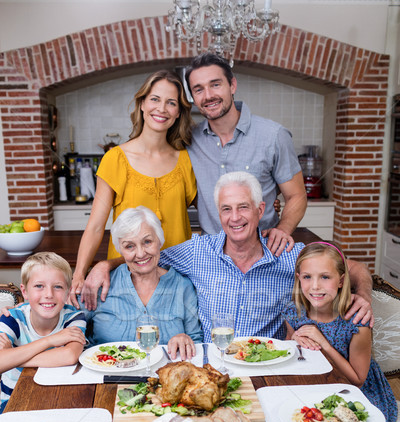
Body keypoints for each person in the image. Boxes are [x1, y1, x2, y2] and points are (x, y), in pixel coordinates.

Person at [75, 172, 373, 341]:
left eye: (243, 207)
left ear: (260, 210)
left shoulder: (287, 255)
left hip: (264, 363)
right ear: (218, 215)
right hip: (213, 364)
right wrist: (105, 263)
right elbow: (145, 255)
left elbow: (355, 267)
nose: (235, 218)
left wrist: (364, 296)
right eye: (226, 209)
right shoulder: (197, 252)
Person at [69, 69, 197, 304]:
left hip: (178, 280)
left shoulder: (187, 160)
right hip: (127, 277)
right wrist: (79, 273)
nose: (162, 109)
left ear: (179, 113)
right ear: (142, 104)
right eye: (155, 99)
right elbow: (96, 226)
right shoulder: (115, 159)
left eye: (171, 103)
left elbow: (216, 212)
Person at [184, 52, 307, 257]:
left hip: (263, 252)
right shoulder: (189, 141)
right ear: (193, 97)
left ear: (232, 85)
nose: (208, 96)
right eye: (199, 89)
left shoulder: (273, 136)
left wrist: (283, 229)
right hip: (210, 258)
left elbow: (297, 195)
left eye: (215, 84)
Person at [283, 242, 397, 422]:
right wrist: (294, 339)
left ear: (341, 281)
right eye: (307, 277)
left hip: (356, 396)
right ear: (299, 279)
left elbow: (357, 381)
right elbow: (289, 352)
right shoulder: (294, 313)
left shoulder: (357, 323)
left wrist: (324, 343)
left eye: (325, 277)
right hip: (313, 388)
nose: (315, 286)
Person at [81, 206, 202, 359]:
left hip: (163, 377)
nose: (140, 253)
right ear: (120, 250)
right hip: (105, 376)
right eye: (129, 246)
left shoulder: (182, 286)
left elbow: (196, 340)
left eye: (147, 242)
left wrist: (186, 340)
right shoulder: (100, 283)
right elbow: (71, 328)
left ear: (159, 241)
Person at [0, 252, 86, 412]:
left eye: (58, 287)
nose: (48, 294)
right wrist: (50, 340)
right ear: (24, 291)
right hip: (11, 406)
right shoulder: (11, 318)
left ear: (68, 292)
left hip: (58, 402)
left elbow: (69, 356)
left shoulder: (73, 317)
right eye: (39, 286)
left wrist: (12, 356)